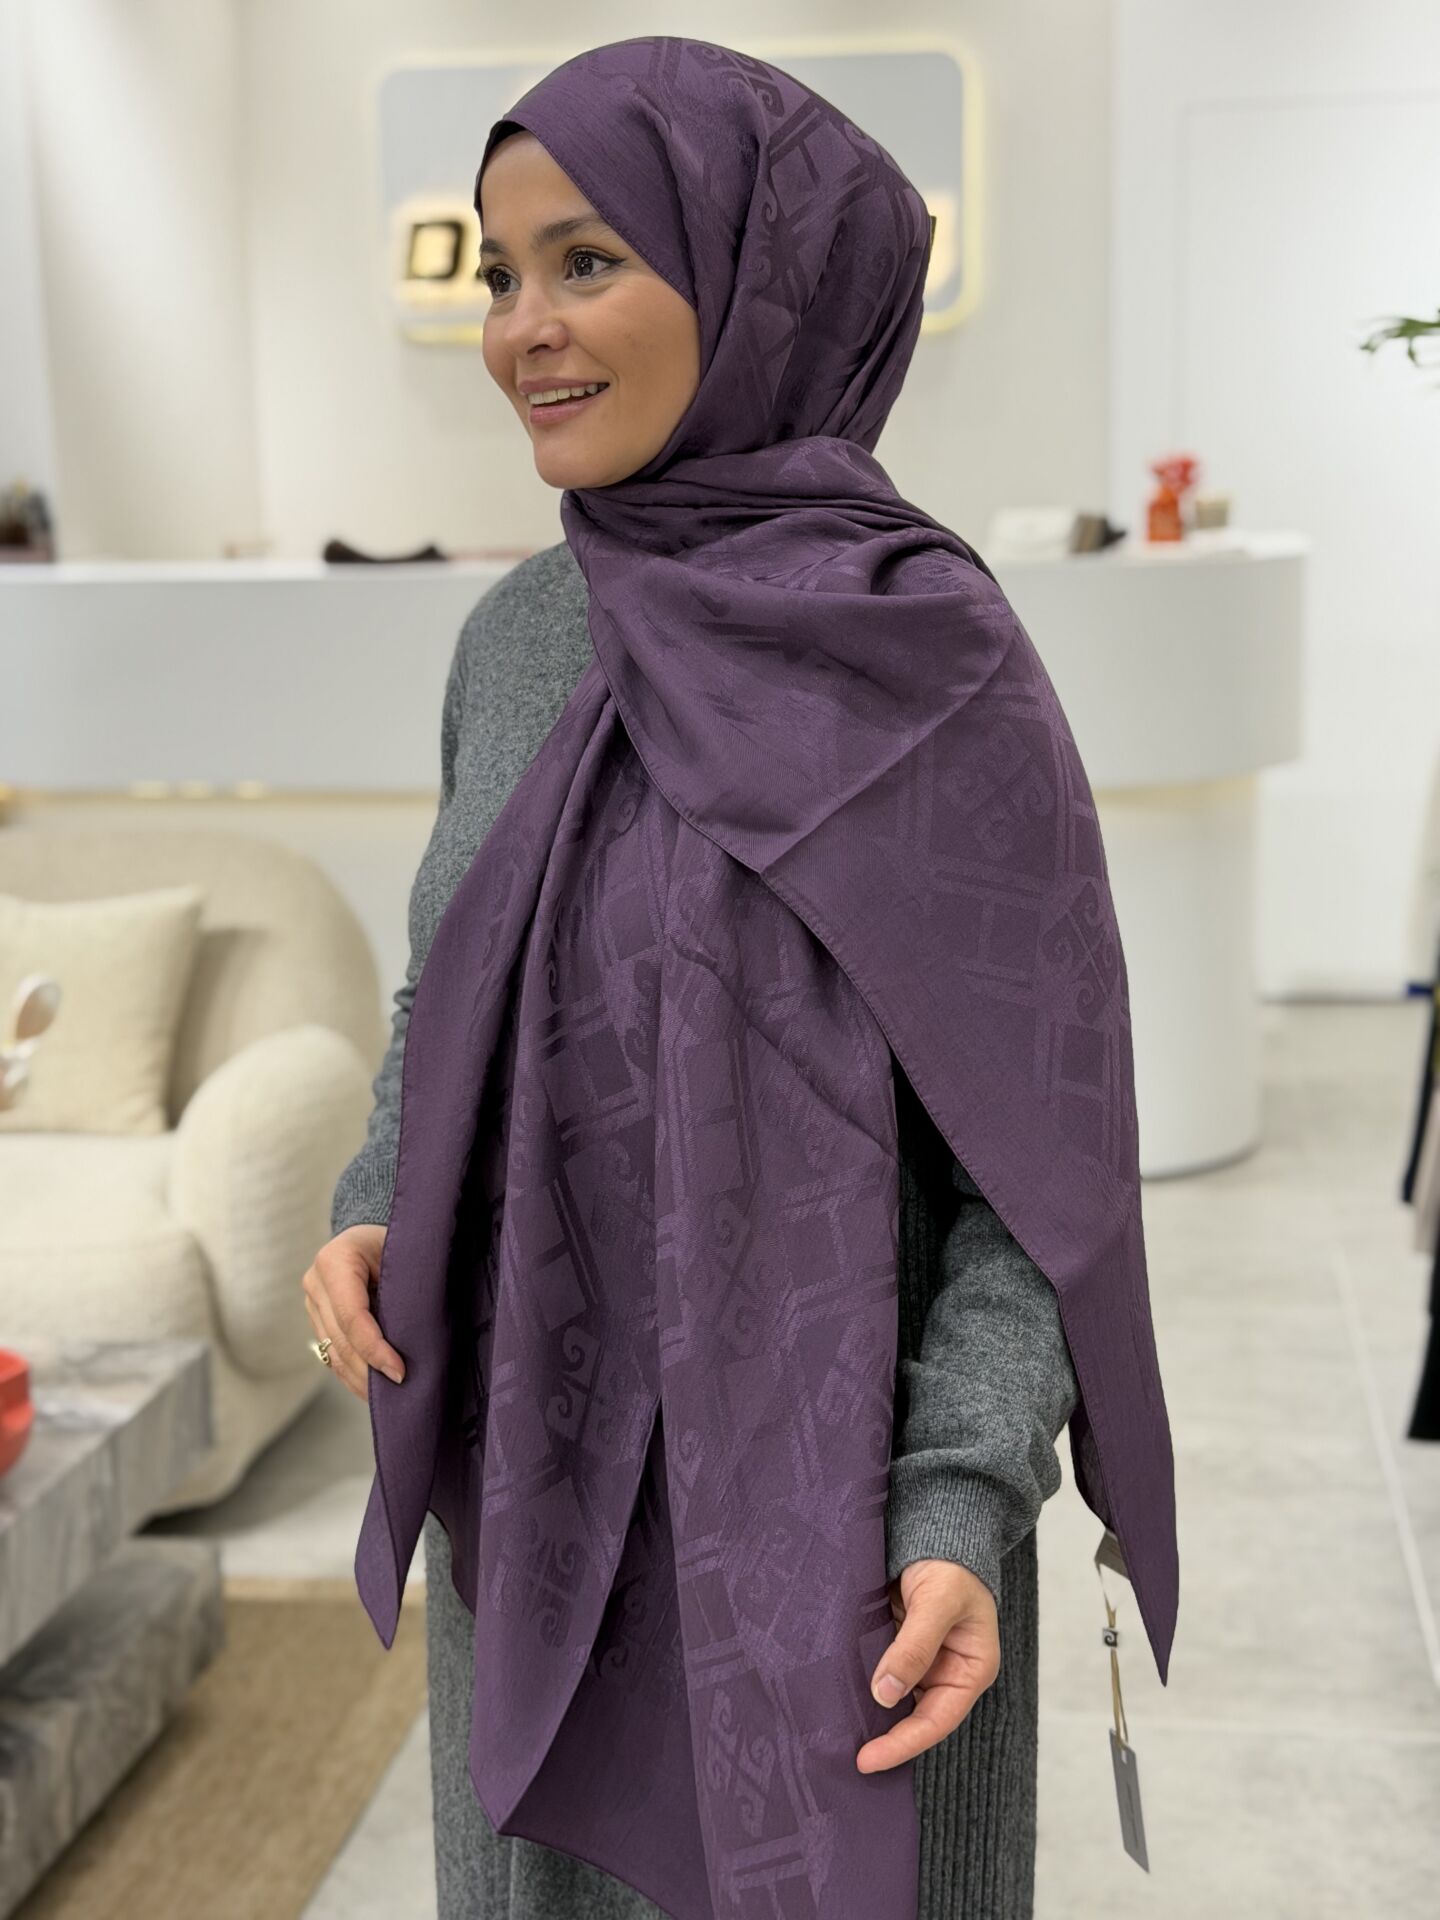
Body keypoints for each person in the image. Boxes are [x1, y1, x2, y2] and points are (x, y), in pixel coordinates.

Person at [304, 35, 1176, 1920]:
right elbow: (444, 996)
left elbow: (1042, 1170)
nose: (524, 329)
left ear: (762, 280)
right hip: (539, 1512)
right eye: (500, 272)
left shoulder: (928, 662)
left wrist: (958, 1498)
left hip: (844, 1561)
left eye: (589, 260)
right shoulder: (517, 639)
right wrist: (377, 1196)